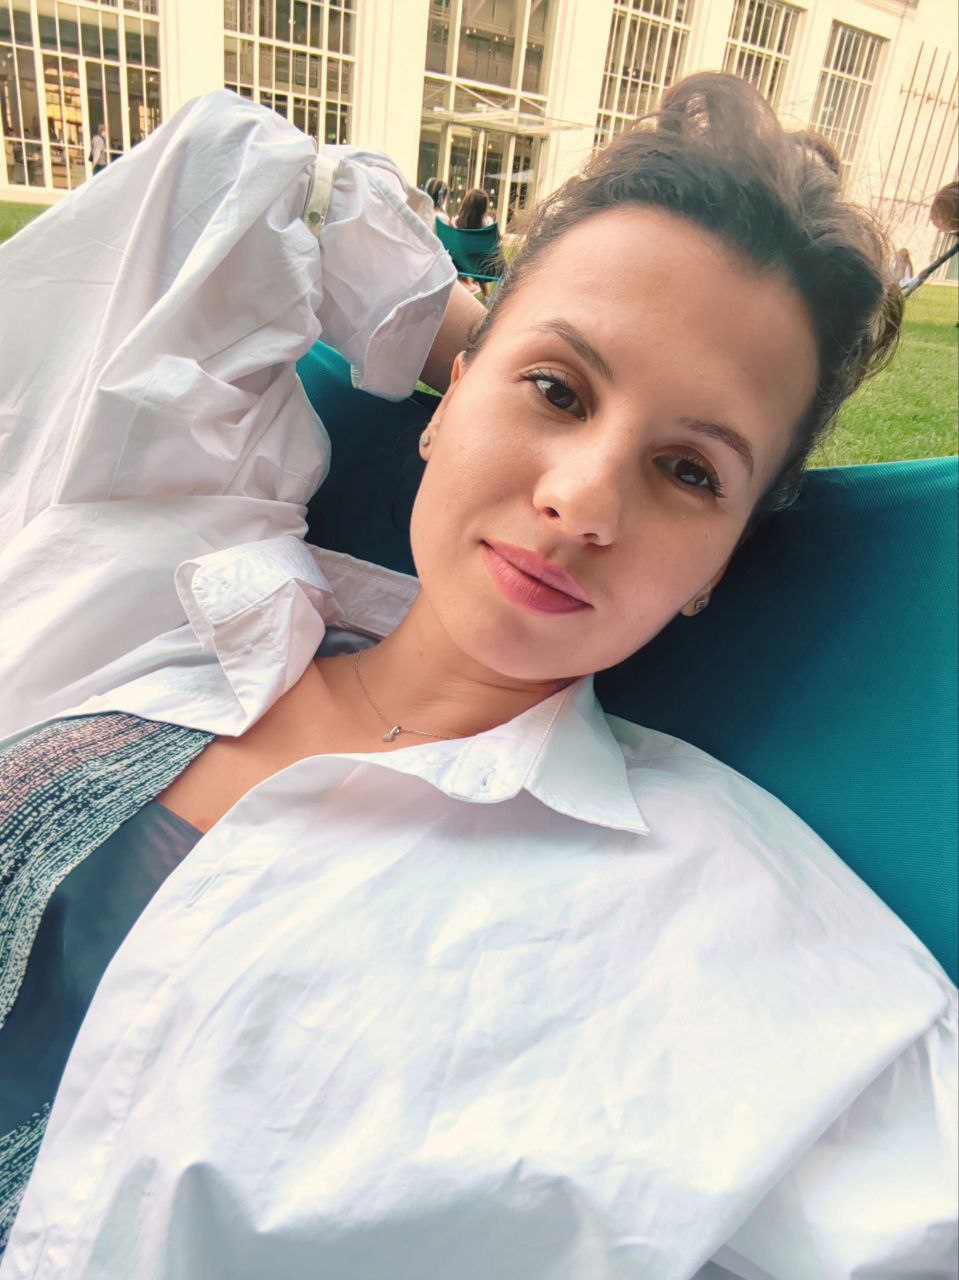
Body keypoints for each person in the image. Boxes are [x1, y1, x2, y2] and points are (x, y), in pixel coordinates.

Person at [0, 78, 955, 1279]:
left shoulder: (730, 928)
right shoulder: (170, 575)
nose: (581, 499)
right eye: (555, 390)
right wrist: (451, 323)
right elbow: (221, 172)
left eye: (689, 471)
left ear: (720, 560)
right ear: (447, 396)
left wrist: (529, 362)